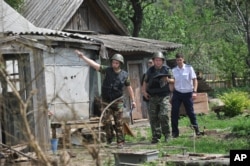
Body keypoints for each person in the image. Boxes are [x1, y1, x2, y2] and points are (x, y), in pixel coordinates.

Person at [75, 50, 136, 148]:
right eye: (113, 62)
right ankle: (109, 136)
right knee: (106, 121)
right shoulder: (107, 70)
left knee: (119, 122)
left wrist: (133, 100)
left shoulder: (125, 75)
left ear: (120, 64)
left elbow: (129, 88)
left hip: (118, 101)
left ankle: (120, 141)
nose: (114, 64)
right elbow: (95, 65)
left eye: (116, 63)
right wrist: (83, 57)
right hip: (106, 101)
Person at [142, 52, 171, 143]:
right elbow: (145, 82)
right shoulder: (150, 71)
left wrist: (168, 79)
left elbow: (174, 80)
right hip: (153, 96)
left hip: (164, 96)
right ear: (153, 61)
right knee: (153, 117)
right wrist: (144, 91)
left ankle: (167, 135)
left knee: (163, 115)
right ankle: (156, 136)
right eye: (156, 60)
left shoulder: (167, 69)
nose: (158, 62)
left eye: (159, 60)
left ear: (162, 61)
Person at [170, 53, 201, 138]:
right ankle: (175, 132)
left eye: (180, 60)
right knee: (174, 113)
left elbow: (195, 80)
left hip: (188, 92)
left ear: (183, 59)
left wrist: (195, 91)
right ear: (176, 61)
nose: (179, 62)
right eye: (177, 60)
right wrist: (171, 94)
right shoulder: (174, 70)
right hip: (177, 93)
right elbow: (172, 83)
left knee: (190, 112)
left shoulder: (189, 68)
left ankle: (196, 129)